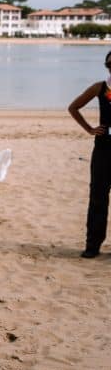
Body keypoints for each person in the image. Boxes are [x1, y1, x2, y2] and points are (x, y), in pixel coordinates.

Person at [68, 50, 111, 259]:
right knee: (98, 199)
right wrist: (89, 129)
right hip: (103, 149)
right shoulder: (100, 87)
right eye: (110, 65)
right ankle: (92, 245)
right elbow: (74, 107)